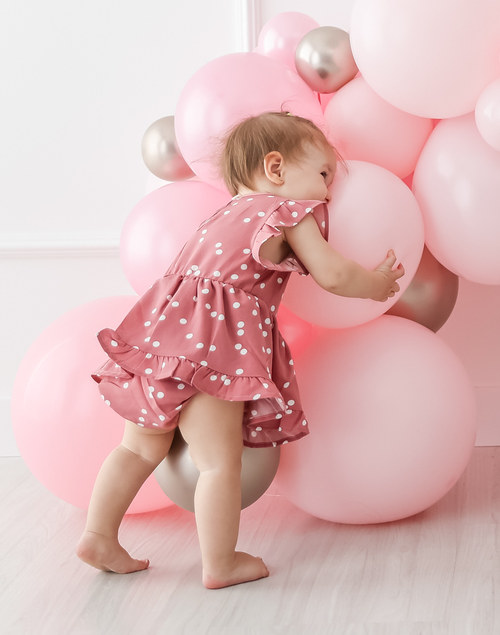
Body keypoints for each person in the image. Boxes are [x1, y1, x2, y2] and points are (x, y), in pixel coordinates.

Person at [75, 112, 403, 589]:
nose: (329, 192)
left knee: (137, 447)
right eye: (323, 174)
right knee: (217, 462)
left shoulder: (220, 216)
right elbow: (332, 273)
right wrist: (375, 284)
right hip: (213, 349)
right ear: (276, 168)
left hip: (158, 341)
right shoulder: (286, 212)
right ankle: (220, 563)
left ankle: (98, 535)